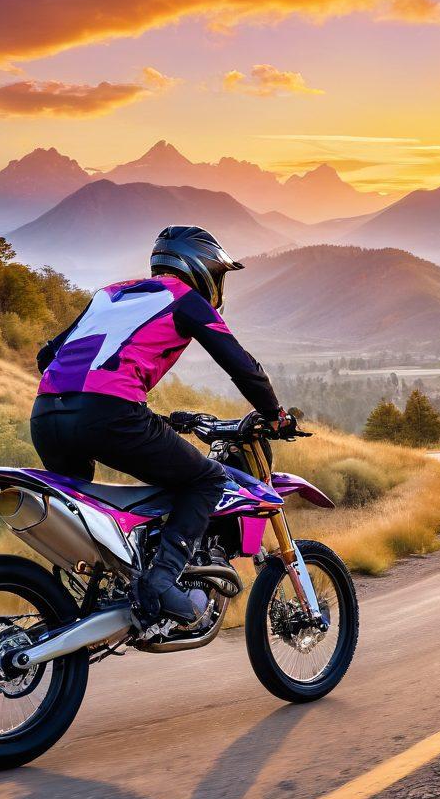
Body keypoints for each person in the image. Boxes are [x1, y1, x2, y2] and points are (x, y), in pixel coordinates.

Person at [30, 225, 291, 626]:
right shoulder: (185, 299)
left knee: (85, 512)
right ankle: (163, 581)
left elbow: (48, 355)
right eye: (218, 275)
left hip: (47, 415)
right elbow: (241, 365)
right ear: (200, 268)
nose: (218, 286)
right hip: (109, 415)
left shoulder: (109, 294)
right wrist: (274, 413)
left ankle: (75, 603)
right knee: (205, 481)